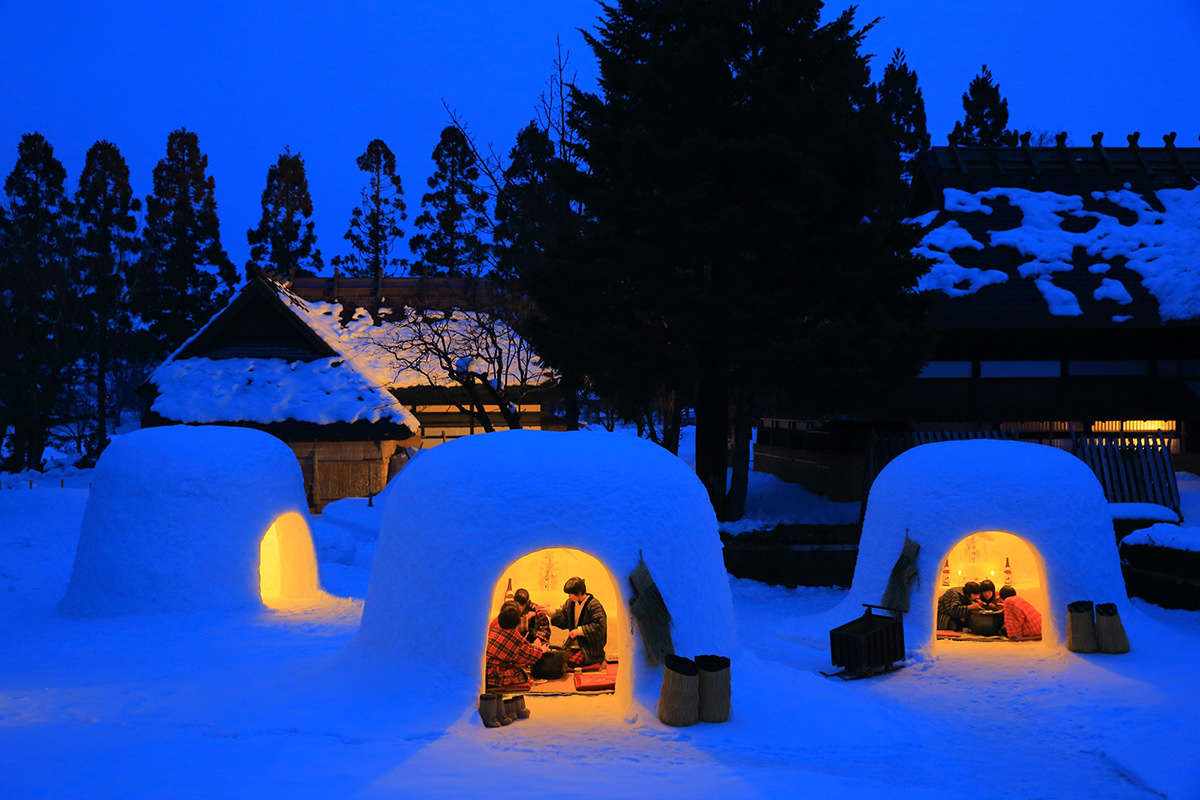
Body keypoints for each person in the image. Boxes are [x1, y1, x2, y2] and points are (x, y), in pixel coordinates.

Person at [486, 601, 548, 689]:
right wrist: (541, 650)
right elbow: (528, 653)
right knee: (522, 675)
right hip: (492, 673)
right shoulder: (512, 636)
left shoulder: (496, 627)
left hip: (482, 668)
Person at [550, 576, 607, 667]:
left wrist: (579, 631)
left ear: (579, 593)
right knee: (560, 659)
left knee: (573, 662)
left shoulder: (594, 605)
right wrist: (553, 613)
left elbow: (599, 626)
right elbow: (564, 620)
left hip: (589, 647)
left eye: (570, 594)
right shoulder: (570, 603)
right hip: (573, 645)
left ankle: (599, 659)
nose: (569, 596)